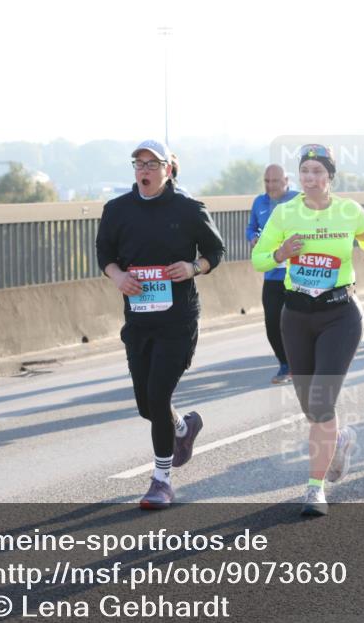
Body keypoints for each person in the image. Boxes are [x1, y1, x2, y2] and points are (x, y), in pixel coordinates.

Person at [251, 144, 364, 516]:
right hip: (295, 315)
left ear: (329, 177)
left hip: (339, 315)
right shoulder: (284, 212)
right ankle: (339, 438)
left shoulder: (348, 211)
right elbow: (258, 258)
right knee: (312, 408)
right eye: (305, 171)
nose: (310, 178)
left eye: (317, 171)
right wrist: (279, 254)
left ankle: (314, 489)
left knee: (323, 402)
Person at [96, 139, 225, 508]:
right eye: (139, 163)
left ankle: (162, 480)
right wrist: (117, 276)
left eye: (153, 164)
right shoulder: (117, 209)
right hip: (138, 321)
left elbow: (215, 251)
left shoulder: (187, 208)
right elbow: (104, 253)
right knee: (146, 406)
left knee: (158, 395)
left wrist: (192, 267)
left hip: (178, 321)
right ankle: (183, 429)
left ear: (169, 170)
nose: (145, 171)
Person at [246, 164, 298, 381]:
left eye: (275, 181)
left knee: (297, 323)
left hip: (297, 274)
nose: (270, 185)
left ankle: (301, 363)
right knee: (272, 323)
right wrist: (253, 238)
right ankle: (285, 364)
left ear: (286, 181)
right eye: (266, 181)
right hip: (272, 273)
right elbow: (251, 227)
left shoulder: (298, 200)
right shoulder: (259, 202)